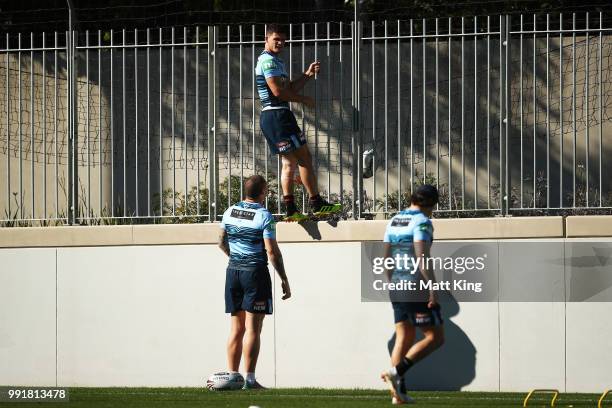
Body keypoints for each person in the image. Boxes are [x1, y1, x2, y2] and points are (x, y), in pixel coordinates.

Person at [255, 23, 338, 219]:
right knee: (304, 158)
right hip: (277, 116)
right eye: (276, 39)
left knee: (290, 163)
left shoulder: (277, 62)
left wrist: (307, 75)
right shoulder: (268, 62)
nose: (280, 43)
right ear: (266, 39)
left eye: (283, 40)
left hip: (275, 116)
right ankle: (315, 203)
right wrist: (304, 100)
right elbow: (278, 92)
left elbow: (288, 88)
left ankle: (291, 210)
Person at [218, 175, 291, 389]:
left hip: (233, 271)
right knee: (253, 328)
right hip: (255, 273)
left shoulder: (229, 211)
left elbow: (221, 242)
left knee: (236, 328)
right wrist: (284, 278)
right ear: (263, 193)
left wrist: (236, 258)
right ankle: (249, 380)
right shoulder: (264, 215)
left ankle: (232, 377)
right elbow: (272, 251)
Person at [380, 185, 445, 404]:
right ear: (430, 204)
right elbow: (422, 256)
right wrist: (432, 288)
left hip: (396, 286)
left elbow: (386, 256)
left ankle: (399, 394)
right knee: (435, 337)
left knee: (403, 337)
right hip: (414, 286)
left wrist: (392, 283)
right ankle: (396, 372)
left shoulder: (394, 220)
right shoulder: (423, 222)